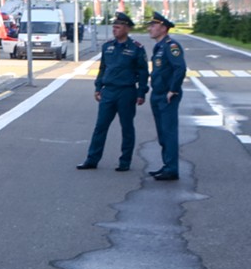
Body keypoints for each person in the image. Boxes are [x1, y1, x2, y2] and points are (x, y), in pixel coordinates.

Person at [77, 12, 146, 170]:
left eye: (118, 27)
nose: (114, 29)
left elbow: (143, 72)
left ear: (127, 28)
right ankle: (92, 159)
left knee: (127, 128)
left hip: (126, 92)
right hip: (108, 91)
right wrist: (98, 87)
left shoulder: (136, 48)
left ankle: (125, 161)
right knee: (100, 127)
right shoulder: (107, 46)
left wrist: (141, 92)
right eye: (113, 26)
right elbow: (103, 68)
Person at [147, 11, 187, 180]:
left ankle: (171, 169)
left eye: (153, 25)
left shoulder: (171, 46)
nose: (150, 28)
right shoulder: (160, 47)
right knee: (163, 133)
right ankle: (167, 165)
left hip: (166, 95)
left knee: (168, 133)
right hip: (157, 94)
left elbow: (180, 68)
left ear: (163, 28)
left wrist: (173, 89)